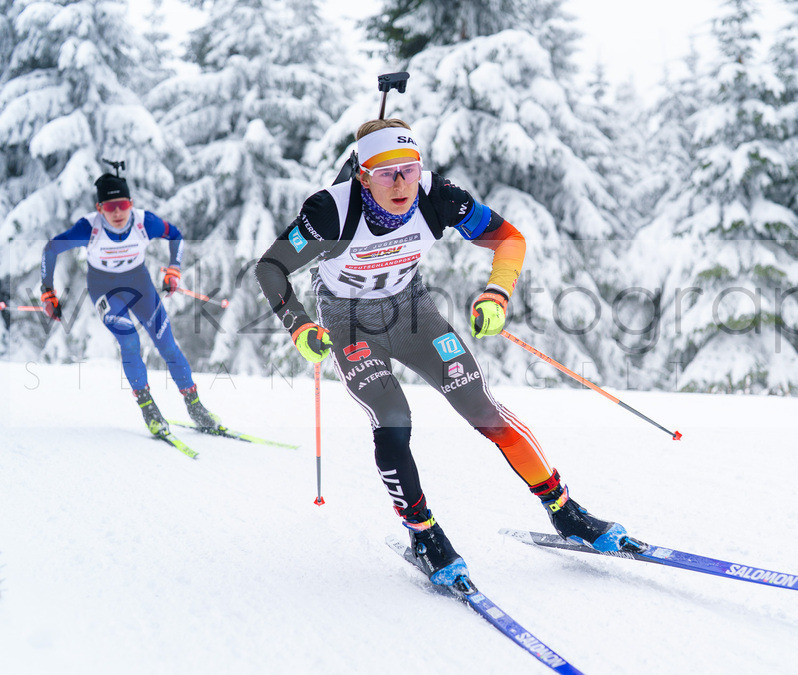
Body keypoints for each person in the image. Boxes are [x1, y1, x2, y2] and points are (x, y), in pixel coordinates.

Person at [255, 119, 639, 586]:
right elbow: (271, 267)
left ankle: (564, 511)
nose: (400, 184)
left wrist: (497, 293)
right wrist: (299, 325)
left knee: (483, 407)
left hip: (413, 313)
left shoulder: (439, 196)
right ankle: (423, 532)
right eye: (385, 172)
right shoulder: (329, 212)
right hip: (349, 322)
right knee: (393, 416)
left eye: (409, 170)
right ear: (361, 174)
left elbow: (509, 239)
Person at [40, 171, 220, 435]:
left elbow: (176, 235)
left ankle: (195, 406)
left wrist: (174, 269)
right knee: (129, 341)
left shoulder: (144, 222)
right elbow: (51, 249)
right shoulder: (88, 228)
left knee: (167, 344)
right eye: (110, 207)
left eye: (122, 205)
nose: (117, 213)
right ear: (99, 208)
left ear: (131, 203)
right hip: (105, 291)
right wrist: (47, 292)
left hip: (140, 287)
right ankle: (149, 409)